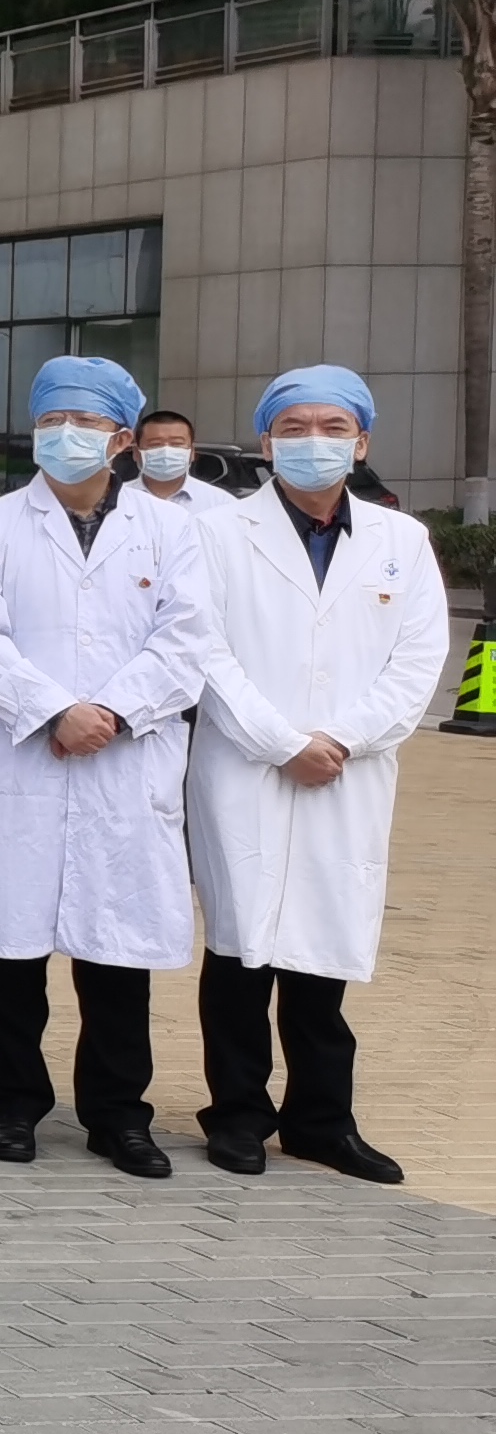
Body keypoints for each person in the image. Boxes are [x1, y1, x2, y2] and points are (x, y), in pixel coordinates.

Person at [185, 366, 451, 1182]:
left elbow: (419, 661)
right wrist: (280, 742)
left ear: (362, 443)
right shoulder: (217, 532)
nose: (314, 442)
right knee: (241, 951)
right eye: (294, 427)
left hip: (347, 771)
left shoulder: (401, 542)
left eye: (334, 428)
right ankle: (237, 1114)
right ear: (266, 443)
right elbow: (203, 651)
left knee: (322, 953)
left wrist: (339, 739)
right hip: (246, 764)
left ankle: (320, 1121)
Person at [0, 354, 214, 1175]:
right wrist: (55, 713)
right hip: (24, 757)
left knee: (117, 955)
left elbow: (187, 639)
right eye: (52, 421)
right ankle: (13, 1109)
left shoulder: (173, 530)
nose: (66, 435)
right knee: (13, 954)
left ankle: (118, 1116)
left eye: (87, 422)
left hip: (125, 759)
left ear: (123, 440)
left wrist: (112, 712)